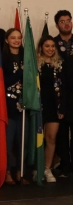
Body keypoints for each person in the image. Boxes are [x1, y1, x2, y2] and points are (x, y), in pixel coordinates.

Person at [37, 35, 66, 182]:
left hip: (55, 107)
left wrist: (62, 108)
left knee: (51, 138)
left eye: (52, 46)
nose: (50, 49)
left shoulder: (60, 64)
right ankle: (37, 168)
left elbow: (64, 88)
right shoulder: (35, 64)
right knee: (37, 139)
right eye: (47, 46)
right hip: (38, 106)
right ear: (41, 47)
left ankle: (47, 169)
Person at [3, 28, 29, 185]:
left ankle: (20, 171)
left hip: (24, 104)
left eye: (19, 38)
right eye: (13, 38)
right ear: (7, 40)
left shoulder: (26, 57)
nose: (16, 40)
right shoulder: (3, 59)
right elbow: (5, 81)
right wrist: (20, 71)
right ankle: (6, 172)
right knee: (7, 141)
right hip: (8, 105)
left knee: (23, 141)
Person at [53, 10, 73, 177]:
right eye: (62, 21)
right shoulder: (52, 43)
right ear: (57, 25)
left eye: (68, 20)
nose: (66, 24)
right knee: (61, 133)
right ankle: (65, 165)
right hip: (60, 94)